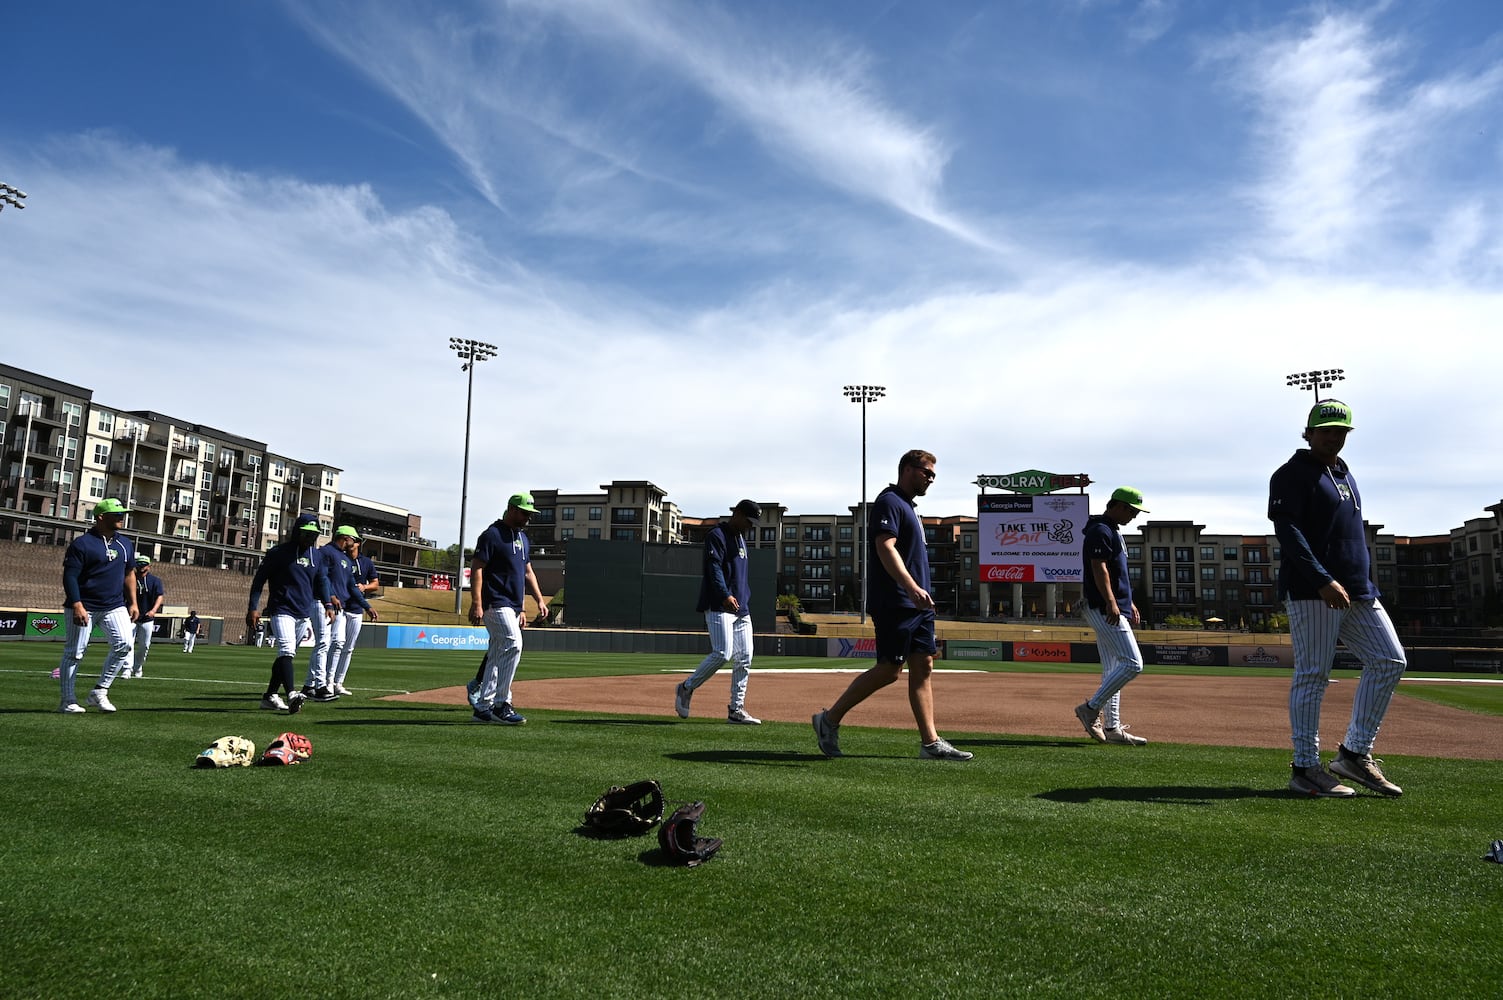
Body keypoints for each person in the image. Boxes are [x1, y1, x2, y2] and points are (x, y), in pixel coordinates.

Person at [1269, 399, 1406, 798]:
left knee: (1389, 660)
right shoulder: (1291, 474)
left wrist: (1352, 579)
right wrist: (1322, 579)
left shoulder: (1343, 472)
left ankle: (1353, 754)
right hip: (1315, 589)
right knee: (1313, 675)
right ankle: (1305, 767)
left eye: (1341, 431)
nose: (1334, 436)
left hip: (1358, 588)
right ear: (1308, 432)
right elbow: (1288, 532)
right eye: (1326, 429)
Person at [812, 450, 972, 760]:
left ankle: (931, 743)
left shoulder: (909, 508)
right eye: (926, 471)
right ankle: (828, 720)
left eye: (933, 474)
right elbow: (884, 547)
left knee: (924, 666)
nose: (931, 478)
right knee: (889, 670)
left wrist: (922, 594)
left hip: (918, 605)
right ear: (908, 469)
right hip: (896, 601)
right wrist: (911, 588)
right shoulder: (889, 502)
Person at [1073, 487, 1151, 746]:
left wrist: (1129, 603)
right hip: (1101, 607)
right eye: (1131, 510)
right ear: (1116, 505)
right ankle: (1090, 708)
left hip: (1112, 605)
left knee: (1113, 668)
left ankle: (1113, 727)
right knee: (1133, 664)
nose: (1134, 516)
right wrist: (1110, 602)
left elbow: (1116, 574)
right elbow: (1099, 568)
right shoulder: (1100, 530)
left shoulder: (1111, 530)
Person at [675, 499, 762, 724]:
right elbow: (713, 568)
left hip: (742, 608)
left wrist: (742, 598)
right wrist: (724, 595)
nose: (750, 526)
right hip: (719, 605)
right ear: (738, 514)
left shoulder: (741, 539)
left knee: (745, 658)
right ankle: (686, 687)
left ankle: (736, 709)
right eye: (749, 521)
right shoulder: (717, 535)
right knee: (723, 653)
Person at [466, 493, 549, 724]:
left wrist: (537, 601)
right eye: (525, 513)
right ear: (512, 509)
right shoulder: (492, 535)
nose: (528, 518)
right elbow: (477, 568)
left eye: (530, 514)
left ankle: (483, 708)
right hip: (495, 601)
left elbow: (527, 572)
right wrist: (476, 602)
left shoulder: (522, 538)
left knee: (496, 652)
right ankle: (502, 703)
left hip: (512, 605)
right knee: (513, 643)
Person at [56, 498, 139, 713]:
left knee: (124, 645)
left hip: (114, 605)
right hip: (85, 605)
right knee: (75, 652)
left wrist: (133, 602)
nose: (122, 517)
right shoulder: (82, 544)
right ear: (101, 517)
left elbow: (130, 573)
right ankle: (67, 700)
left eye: (123, 513)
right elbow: (70, 576)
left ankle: (100, 691)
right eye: (117, 514)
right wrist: (77, 604)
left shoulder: (125, 544)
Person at [247, 513, 332, 714]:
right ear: (296, 532)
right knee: (286, 650)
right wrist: (253, 607)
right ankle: (292, 693)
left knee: (286, 656)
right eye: (306, 534)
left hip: (303, 612)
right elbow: (259, 581)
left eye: (313, 534)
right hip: (281, 609)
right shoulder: (278, 552)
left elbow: (322, 581)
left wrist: (328, 602)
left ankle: (269, 696)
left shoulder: (317, 556)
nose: (310, 538)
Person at [300, 525, 373, 701]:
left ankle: (310, 684)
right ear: (345, 538)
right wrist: (330, 596)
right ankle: (321, 685)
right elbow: (322, 577)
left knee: (333, 643)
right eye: (353, 539)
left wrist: (366, 606)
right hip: (323, 603)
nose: (355, 543)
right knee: (326, 643)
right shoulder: (326, 552)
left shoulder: (345, 559)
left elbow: (350, 586)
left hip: (338, 607)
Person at [328, 530, 379, 696]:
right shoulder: (339, 557)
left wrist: (365, 587)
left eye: (356, 541)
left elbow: (375, 584)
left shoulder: (366, 562)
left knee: (348, 648)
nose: (353, 544)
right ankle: (327, 681)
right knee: (336, 643)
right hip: (341, 607)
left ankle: (338, 682)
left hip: (356, 609)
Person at [125, 555, 165, 679]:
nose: (141, 567)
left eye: (144, 565)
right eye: (139, 565)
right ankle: (127, 668)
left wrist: (153, 610)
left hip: (147, 617)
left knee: (144, 645)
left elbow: (160, 596)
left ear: (148, 566)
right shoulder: (130, 579)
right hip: (131, 616)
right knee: (128, 643)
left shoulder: (155, 581)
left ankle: (138, 666)